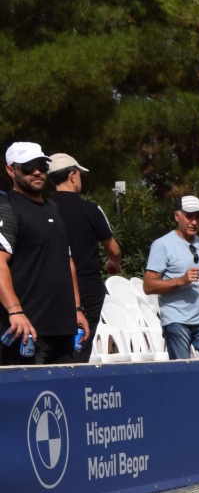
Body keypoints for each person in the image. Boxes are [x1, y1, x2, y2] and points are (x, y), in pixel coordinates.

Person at [1, 141, 89, 365]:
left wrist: (77, 309)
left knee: (66, 395)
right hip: (27, 330)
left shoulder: (53, 208)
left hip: (63, 328)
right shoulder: (7, 208)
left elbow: (67, 261)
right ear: (11, 170)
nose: (38, 172)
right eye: (29, 167)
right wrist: (15, 311)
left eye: (42, 165)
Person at [47, 153, 122, 362]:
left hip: (50, 288)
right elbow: (113, 249)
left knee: (51, 348)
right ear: (72, 175)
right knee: (80, 348)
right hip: (86, 287)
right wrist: (113, 263)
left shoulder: (42, 208)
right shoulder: (91, 209)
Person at [143, 195, 199, 359]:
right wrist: (181, 280)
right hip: (176, 321)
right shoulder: (162, 245)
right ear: (176, 216)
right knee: (182, 373)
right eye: (189, 216)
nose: (194, 222)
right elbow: (148, 286)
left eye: (198, 218)